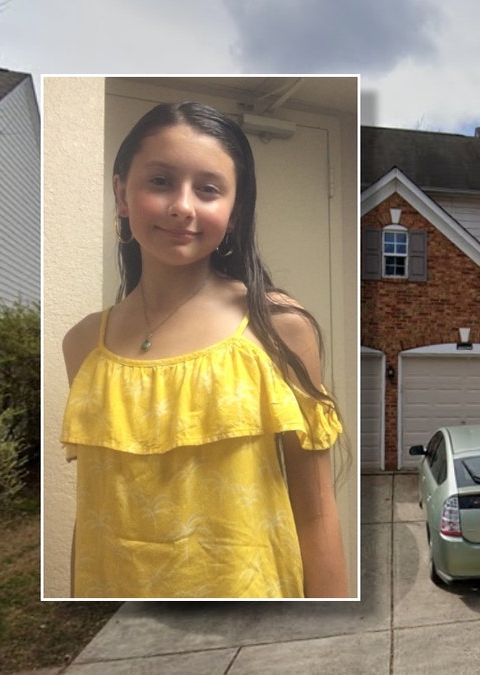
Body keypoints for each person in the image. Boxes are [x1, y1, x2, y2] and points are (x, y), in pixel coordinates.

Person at [60, 101, 348, 598]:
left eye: (208, 189)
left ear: (234, 214)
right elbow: (95, 514)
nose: (183, 206)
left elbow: (317, 511)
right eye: (160, 182)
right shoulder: (84, 344)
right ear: (121, 193)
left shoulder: (279, 326)